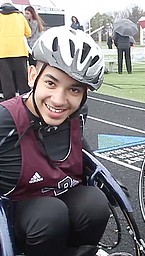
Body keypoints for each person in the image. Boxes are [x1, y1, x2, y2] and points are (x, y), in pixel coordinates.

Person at [0, 26, 110, 256]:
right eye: (51, 83)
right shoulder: (4, 118)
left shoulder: (77, 114)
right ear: (32, 76)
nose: (59, 100)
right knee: (50, 214)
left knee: (95, 203)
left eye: (74, 89)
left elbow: (79, 144)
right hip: (18, 211)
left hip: (61, 196)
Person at [0, 1, 31, 100]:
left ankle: (9, 101)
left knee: (6, 79)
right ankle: (25, 98)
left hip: (3, 52)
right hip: (19, 51)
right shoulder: (20, 16)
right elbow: (28, 33)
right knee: (22, 77)